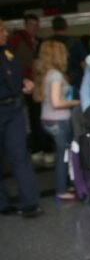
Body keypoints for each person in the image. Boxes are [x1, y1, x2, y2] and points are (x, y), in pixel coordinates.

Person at [0, 19, 42, 218]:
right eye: (2, 31)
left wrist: (24, 81)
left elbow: (14, 72)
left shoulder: (7, 51)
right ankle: (2, 203)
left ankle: (30, 203)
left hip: (14, 109)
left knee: (20, 155)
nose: (6, 34)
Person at [34, 40, 80, 201]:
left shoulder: (46, 74)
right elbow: (57, 102)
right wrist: (76, 102)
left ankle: (65, 185)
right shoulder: (55, 75)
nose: (67, 55)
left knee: (62, 154)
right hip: (58, 121)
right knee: (62, 156)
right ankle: (61, 190)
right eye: (64, 52)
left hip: (47, 119)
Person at [9, 14, 51, 163]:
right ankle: (37, 147)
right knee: (33, 116)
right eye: (32, 25)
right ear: (26, 25)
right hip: (25, 83)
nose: (34, 28)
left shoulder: (37, 42)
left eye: (36, 25)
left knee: (38, 115)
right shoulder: (18, 40)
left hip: (37, 83)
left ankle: (40, 146)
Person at [49, 16, 88, 100]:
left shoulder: (47, 44)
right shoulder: (75, 43)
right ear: (66, 27)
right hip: (73, 82)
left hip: (51, 82)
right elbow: (84, 65)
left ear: (52, 28)